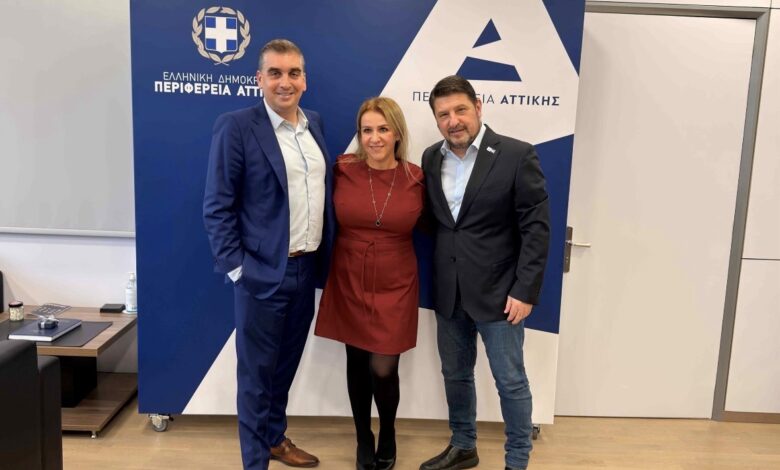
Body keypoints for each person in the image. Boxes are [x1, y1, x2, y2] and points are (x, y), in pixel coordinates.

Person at [203, 38, 334, 470]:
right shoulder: (237, 126)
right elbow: (217, 206)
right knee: (256, 377)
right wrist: (238, 270)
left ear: (305, 80)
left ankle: (275, 439)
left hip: (306, 269)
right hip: (261, 274)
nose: (285, 82)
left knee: (284, 367)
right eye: (275, 73)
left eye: (293, 73)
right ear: (259, 78)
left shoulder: (314, 124)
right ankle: (255, 462)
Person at [418, 75, 550, 470]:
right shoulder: (430, 158)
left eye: (460, 109)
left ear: (478, 107)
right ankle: (463, 446)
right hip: (449, 292)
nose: (453, 120)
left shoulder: (516, 154)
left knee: (510, 380)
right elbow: (439, 224)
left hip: (501, 294)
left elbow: (536, 228)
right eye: (443, 114)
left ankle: (517, 460)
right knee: (456, 375)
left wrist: (525, 290)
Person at [314, 97, 424, 470]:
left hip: (396, 280)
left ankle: (388, 431)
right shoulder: (342, 169)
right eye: (367, 130)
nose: (374, 138)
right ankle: (364, 437)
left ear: (397, 133)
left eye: (383, 129)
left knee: (384, 369)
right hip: (349, 275)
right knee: (357, 362)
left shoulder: (416, 177)